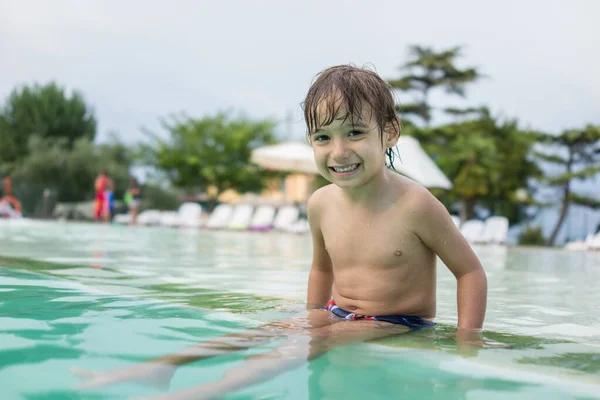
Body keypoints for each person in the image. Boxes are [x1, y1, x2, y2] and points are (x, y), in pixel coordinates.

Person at [72, 65, 488, 398]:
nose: (338, 152)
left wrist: (467, 341)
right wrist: (311, 316)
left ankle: (204, 393)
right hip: (337, 311)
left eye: (355, 132)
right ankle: (161, 367)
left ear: (389, 131)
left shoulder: (415, 204)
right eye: (323, 137)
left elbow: (470, 272)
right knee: (265, 332)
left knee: (303, 346)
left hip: (399, 322)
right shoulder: (321, 203)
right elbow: (321, 268)